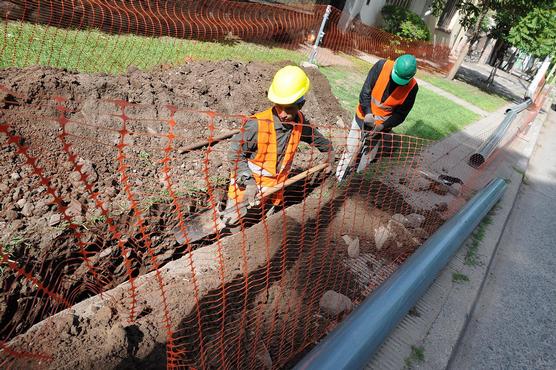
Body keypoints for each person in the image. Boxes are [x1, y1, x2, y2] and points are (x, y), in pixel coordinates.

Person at [225, 65, 334, 223]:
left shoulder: (301, 124)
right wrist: (248, 181)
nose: (282, 114)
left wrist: (330, 153)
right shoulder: (257, 125)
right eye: (279, 107)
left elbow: (320, 141)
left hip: (273, 194)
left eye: (288, 109)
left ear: (300, 106)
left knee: (262, 230)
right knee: (233, 229)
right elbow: (235, 154)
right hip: (246, 192)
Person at [335, 54, 419, 181]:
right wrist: (368, 113)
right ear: (394, 65)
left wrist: (382, 126)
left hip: (380, 128)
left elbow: (401, 114)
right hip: (363, 117)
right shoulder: (381, 66)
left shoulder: (412, 88)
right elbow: (365, 92)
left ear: (410, 77)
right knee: (351, 149)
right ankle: (340, 177)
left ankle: (357, 181)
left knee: (367, 157)